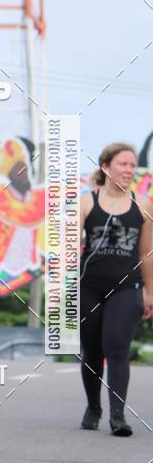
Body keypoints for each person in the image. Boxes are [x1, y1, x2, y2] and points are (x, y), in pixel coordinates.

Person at [79, 143, 153, 436]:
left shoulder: (143, 204)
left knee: (117, 347)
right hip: (89, 287)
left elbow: (146, 252)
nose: (129, 170)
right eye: (123, 164)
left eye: (133, 165)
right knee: (93, 351)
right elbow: (67, 238)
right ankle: (93, 406)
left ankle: (118, 416)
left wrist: (149, 291)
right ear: (106, 167)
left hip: (127, 286)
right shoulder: (87, 202)